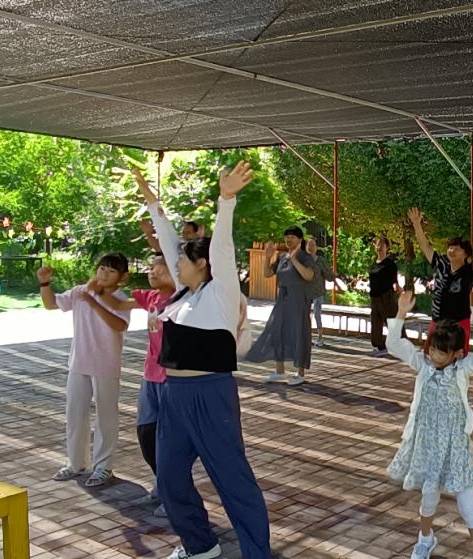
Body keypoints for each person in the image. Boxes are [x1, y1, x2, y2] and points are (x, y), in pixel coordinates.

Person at [144, 161, 273, 559]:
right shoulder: (183, 296)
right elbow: (169, 241)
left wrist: (226, 199)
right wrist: (151, 203)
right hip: (174, 396)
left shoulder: (221, 292)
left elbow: (222, 248)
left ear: (202, 264)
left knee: (234, 482)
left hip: (210, 395)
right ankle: (200, 546)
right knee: (169, 480)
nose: (174, 265)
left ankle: (257, 553)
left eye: (182, 261)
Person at [386, 290, 473, 559]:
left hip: (456, 446)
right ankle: (425, 539)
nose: (435, 355)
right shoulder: (423, 365)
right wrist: (401, 313)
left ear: (457, 353)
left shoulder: (462, 369)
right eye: (433, 348)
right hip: (427, 444)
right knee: (428, 497)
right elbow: (394, 344)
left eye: (441, 351)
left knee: (467, 504)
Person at [37, 253, 131, 488]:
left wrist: (95, 301)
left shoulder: (120, 298)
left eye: (111, 271)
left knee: (106, 417)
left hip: (106, 365)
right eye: (102, 268)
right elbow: (51, 303)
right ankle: (76, 463)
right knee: (75, 414)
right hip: (79, 362)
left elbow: (120, 325)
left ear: (122, 277)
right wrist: (45, 283)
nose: (104, 274)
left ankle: (103, 466)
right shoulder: (80, 292)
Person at [96, 248, 175, 517]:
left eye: (159, 268)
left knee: (169, 440)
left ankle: (173, 496)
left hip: (173, 380)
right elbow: (119, 305)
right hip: (150, 377)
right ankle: (162, 486)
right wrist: (98, 290)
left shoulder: (182, 300)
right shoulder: (151, 297)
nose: (152, 272)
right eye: (151, 267)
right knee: (146, 433)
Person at [408, 207, 473, 355]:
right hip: (437, 321)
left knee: (457, 360)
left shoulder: (469, 271)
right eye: (450, 248)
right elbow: (425, 245)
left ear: (466, 254)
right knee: (431, 357)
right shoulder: (440, 263)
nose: (452, 251)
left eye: (457, 249)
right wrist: (416, 223)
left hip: (458, 324)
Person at [245, 227, 316, 385]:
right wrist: (267, 257)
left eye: (292, 237)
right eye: (286, 237)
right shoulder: (282, 257)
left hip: (298, 300)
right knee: (277, 331)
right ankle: (279, 370)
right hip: (282, 300)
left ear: (299, 240)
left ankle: (300, 373)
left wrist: (295, 259)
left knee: (298, 333)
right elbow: (267, 273)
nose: (288, 239)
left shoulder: (305, 257)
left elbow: (309, 275)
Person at [369, 237, 403, 357]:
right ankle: (380, 346)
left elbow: (395, 281)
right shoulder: (374, 264)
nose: (379, 247)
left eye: (382, 245)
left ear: (387, 248)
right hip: (374, 297)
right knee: (375, 323)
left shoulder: (390, 264)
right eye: (378, 245)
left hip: (386, 297)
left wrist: (399, 288)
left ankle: (401, 347)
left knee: (392, 322)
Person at [305, 238, 336, 348]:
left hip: (318, 292)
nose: (310, 247)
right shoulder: (303, 260)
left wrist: (333, 276)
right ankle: (306, 337)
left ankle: (320, 337)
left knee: (317, 314)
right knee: (305, 315)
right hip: (305, 292)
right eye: (309, 245)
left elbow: (328, 275)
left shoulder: (320, 260)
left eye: (313, 245)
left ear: (316, 247)